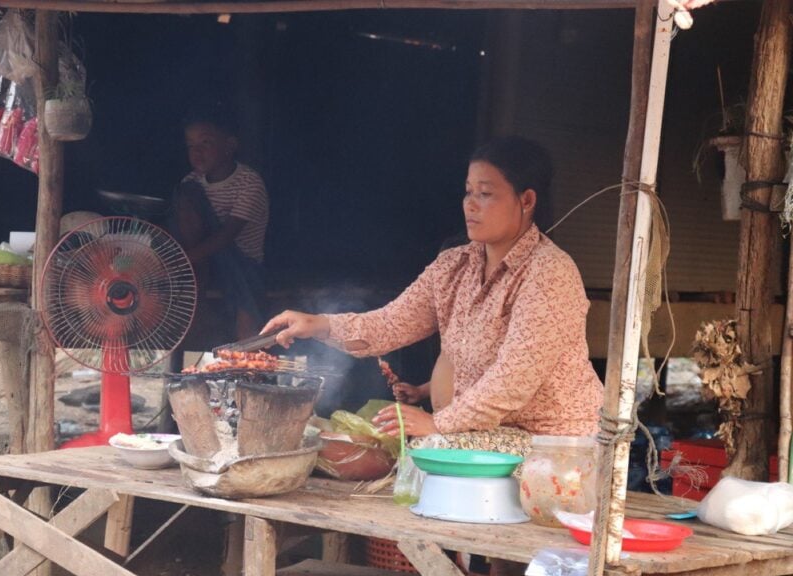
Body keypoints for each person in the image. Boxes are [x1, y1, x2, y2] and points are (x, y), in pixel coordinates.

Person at [262, 136, 603, 440]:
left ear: (527, 200)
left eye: (485, 194)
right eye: (468, 192)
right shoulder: (453, 265)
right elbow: (391, 324)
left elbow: (513, 379)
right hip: (481, 436)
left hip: (556, 446)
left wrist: (440, 424)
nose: (470, 204)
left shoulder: (549, 272)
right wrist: (318, 324)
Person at [171, 108, 269, 339]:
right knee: (187, 193)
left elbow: (226, 236)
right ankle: (189, 334)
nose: (197, 152)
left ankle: (249, 357)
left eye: (205, 143)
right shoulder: (191, 181)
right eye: (191, 146)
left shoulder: (249, 183)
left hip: (243, 263)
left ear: (230, 145)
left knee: (246, 301)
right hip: (204, 261)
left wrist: (181, 260)